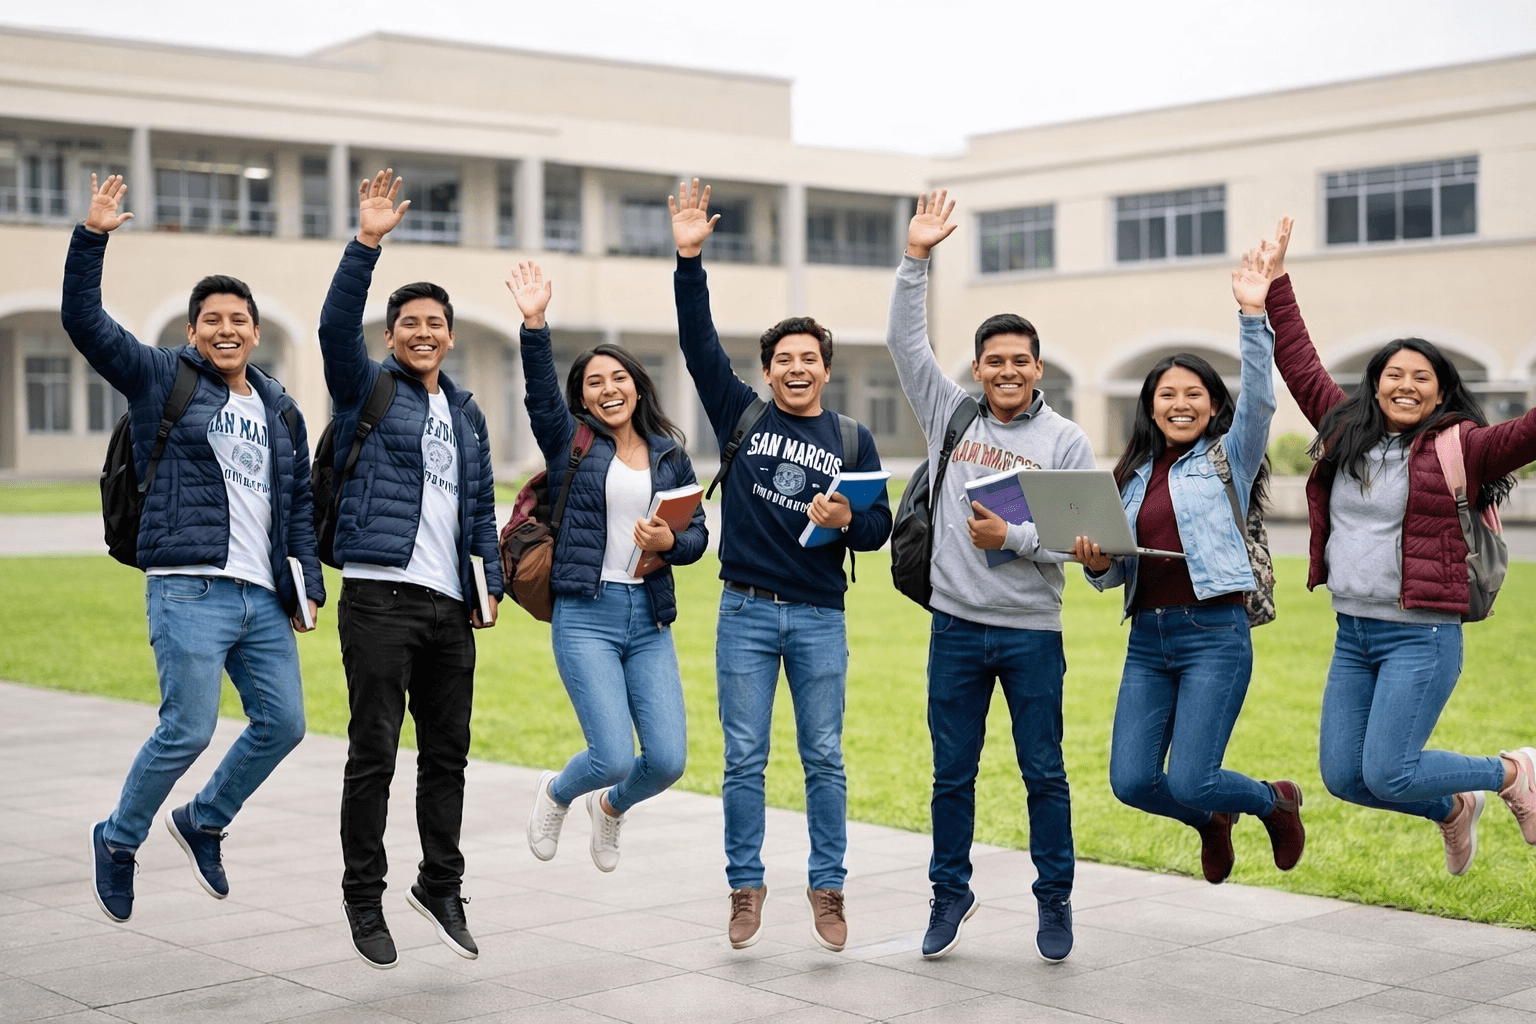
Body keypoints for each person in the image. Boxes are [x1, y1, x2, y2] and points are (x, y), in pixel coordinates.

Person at [65, 174, 321, 925]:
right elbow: (84, 321)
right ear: (193, 329)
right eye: (212, 320)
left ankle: (204, 819)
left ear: (255, 330)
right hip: (188, 587)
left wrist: (305, 584)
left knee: (285, 724)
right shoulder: (157, 378)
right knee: (188, 727)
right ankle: (117, 839)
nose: (226, 330)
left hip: (261, 596)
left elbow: (296, 502)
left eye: (238, 319)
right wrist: (93, 238)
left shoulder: (278, 406)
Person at [1261, 218, 1536, 876]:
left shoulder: (1461, 445)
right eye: (1393, 374)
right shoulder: (1344, 430)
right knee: (1346, 778)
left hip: (1421, 636)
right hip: (1352, 633)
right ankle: (1454, 808)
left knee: (1391, 767)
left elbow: (1527, 434)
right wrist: (1274, 286)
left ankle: (1513, 770)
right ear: (1375, 383)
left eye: (1421, 377)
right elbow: (1299, 364)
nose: (1405, 384)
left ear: (1441, 391)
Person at [670, 179, 892, 953]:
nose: (797, 368)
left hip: (821, 619)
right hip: (746, 612)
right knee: (743, 757)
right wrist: (689, 259)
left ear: (826, 369)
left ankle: (827, 889)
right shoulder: (743, 414)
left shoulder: (855, 440)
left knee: (824, 757)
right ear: (766, 372)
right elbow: (699, 344)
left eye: (810, 358)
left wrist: (847, 520)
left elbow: (880, 530)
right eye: (783, 359)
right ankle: (745, 886)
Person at [888, 191, 1092, 964]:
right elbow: (905, 345)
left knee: (1045, 774)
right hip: (956, 629)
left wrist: (1018, 536)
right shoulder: (952, 415)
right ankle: (950, 894)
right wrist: (917, 259)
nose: (1006, 371)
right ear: (978, 368)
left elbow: (1084, 546)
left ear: (1037, 368)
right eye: (993, 361)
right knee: (951, 776)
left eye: (1020, 361)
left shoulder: (1065, 441)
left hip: (1033, 635)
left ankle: (1055, 901)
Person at [1072, 236, 1304, 887]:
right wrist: (1094, 562)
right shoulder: (1130, 476)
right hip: (1147, 639)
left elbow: (1260, 398)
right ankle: (1212, 821)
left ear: (1212, 404)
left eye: (1194, 393)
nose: (1180, 403)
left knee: (1195, 776)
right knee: (1132, 781)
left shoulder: (1230, 458)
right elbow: (1116, 571)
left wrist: (1253, 317)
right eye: (1167, 394)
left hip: (1213, 634)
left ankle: (1271, 799)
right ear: (1150, 405)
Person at [318, 170, 503, 969]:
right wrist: (366, 244)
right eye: (409, 323)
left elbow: (483, 508)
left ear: (451, 336)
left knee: (448, 755)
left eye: (435, 323)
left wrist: (487, 585)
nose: (423, 332)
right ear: (391, 335)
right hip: (378, 599)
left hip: (447, 609)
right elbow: (331, 330)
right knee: (374, 753)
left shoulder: (464, 414)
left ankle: (441, 884)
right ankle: (364, 896)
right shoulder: (369, 389)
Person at [512, 260, 707, 873]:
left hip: (648, 619)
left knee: (668, 760)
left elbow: (697, 535)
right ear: (583, 398)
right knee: (612, 756)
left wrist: (669, 543)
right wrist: (535, 324)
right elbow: (541, 391)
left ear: (639, 386)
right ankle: (556, 793)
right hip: (586, 614)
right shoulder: (572, 447)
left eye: (617, 377)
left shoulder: (671, 456)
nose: (607, 388)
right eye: (593, 382)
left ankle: (612, 811)